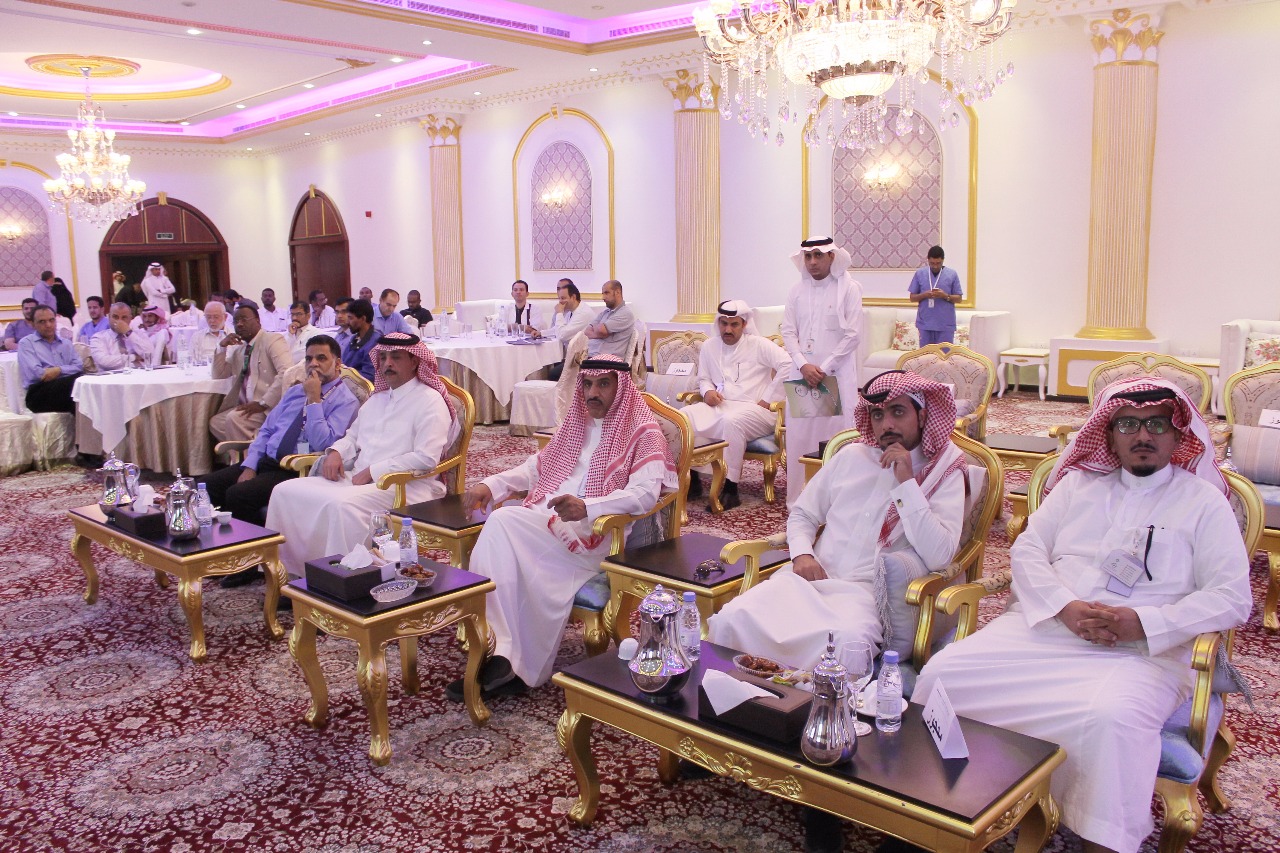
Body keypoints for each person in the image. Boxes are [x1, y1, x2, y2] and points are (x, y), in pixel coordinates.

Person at [915, 378, 1251, 853]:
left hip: (1142, 653)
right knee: (945, 674)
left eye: (1157, 424)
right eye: (1128, 424)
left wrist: (1144, 623)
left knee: (1111, 717)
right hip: (1046, 630)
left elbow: (1232, 596)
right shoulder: (1078, 485)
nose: (1143, 435)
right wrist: (1065, 607)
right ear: (1109, 434)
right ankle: (944, 809)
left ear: (1178, 434)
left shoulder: (1203, 502)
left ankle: (1100, 839)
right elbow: (1028, 550)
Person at [454, 354, 677, 698]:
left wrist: (587, 507)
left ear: (621, 387)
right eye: (587, 384)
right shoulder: (577, 425)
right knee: (503, 533)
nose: (592, 393)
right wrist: (492, 484)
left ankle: (499, 651)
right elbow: (535, 469)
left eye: (603, 384)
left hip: (595, 536)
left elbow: (644, 495)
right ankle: (505, 656)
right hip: (549, 525)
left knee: (502, 522)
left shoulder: (643, 432)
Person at [708, 369, 965, 667]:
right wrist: (802, 555)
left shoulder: (942, 471)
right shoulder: (852, 456)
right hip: (807, 580)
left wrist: (907, 484)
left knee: (846, 645)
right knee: (731, 618)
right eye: (878, 415)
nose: (887, 424)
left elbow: (940, 556)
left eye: (898, 412)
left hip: (864, 596)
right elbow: (803, 513)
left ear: (922, 416)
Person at [266, 333, 458, 577]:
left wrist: (374, 471)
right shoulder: (377, 399)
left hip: (406, 486)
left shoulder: (430, 401)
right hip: (359, 479)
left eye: (396, 357)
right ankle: (291, 574)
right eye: (383, 357)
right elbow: (352, 437)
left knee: (341, 506)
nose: (387, 363)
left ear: (414, 361)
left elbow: (426, 458)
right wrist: (336, 452)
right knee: (284, 491)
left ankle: (342, 579)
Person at [206, 335, 360, 586]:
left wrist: (314, 400)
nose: (314, 364)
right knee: (208, 486)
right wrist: (250, 465)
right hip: (266, 460)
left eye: (322, 358)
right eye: (309, 359)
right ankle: (223, 554)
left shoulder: (346, 401)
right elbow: (266, 430)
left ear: (337, 363)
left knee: (239, 495)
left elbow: (323, 443)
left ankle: (249, 564)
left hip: (296, 469)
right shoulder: (295, 393)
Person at [779, 236, 864, 505]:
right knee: (801, 437)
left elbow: (853, 335)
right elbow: (788, 331)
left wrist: (823, 368)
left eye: (818, 255)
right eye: (808, 256)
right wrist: (803, 364)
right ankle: (799, 502)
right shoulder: (796, 291)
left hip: (834, 377)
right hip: (802, 376)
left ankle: (835, 503)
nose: (813, 262)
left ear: (831, 256)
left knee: (834, 438)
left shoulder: (849, 289)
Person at [682, 300, 790, 510]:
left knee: (732, 422)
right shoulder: (710, 346)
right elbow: (703, 378)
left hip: (757, 410)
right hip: (722, 405)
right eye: (724, 323)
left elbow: (788, 364)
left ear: (744, 324)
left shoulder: (758, 344)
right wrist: (708, 392)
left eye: (734, 324)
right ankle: (693, 479)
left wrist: (769, 398)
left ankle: (731, 488)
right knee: (685, 415)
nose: (728, 329)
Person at [209, 305, 293, 442]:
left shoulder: (272, 340)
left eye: (244, 319)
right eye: (236, 321)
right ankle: (256, 445)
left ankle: (246, 453)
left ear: (258, 321)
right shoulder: (240, 350)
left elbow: (286, 373)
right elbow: (219, 375)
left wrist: (263, 402)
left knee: (234, 419)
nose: (239, 324)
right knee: (217, 423)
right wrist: (221, 347)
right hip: (247, 406)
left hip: (269, 407)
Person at [17, 305, 83, 413]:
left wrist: (58, 370)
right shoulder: (26, 344)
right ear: (33, 324)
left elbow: (79, 366)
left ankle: (87, 423)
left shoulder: (65, 343)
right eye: (42, 322)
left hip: (65, 387)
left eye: (51, 320)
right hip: (38, 392)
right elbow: (37, 374)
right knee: (77, 383)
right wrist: (67, 370)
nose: (48, 325)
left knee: (82, 387)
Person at [908, 245, 963, 346]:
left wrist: (945, 296)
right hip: (925, 323)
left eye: (938, 263)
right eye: (932, 263)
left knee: (944, 354)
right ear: (928, 260)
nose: (935, 266)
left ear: (943, 260)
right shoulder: (920, 273)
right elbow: (912, 298)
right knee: (926, 354)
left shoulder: (952, 274)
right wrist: (924, 295)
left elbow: (959, 298)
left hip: (945, 324)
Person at [544, 279, 596, 380]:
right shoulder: (571, 311)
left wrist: (559, 313)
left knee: (553, 373)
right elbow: (559, 329)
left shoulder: (583, 313)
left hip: (584, 357)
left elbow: (562, 335)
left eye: (563, 298)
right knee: (552, 362)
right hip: (573, 354)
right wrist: (541, 333)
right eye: (559, 298)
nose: (560, 302)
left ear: (573, 297)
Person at [89, 302, 155, 371]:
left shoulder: (138, 334)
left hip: (139, 374)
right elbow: (104, 361)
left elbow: (150, 354)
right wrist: (133, 357)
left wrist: (129, 333)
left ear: (130, 319)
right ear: (109, 317)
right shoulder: (98, 338)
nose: (120, 321)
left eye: (124, 317)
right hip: (112, 376)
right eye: (115, 317)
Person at [584, 279, 636, 359]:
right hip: (592, 356)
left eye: (607, 293)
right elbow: (587, 332)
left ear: (617, 292)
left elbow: (601, 330)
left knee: (566, 365)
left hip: (608, 361)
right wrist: (601, 334)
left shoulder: (625, 313)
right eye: (603, 294)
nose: (603, 297)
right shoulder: (605, 313)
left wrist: (598, 330)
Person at [341, 299, 382, 384]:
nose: (347, 322)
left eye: (350, 318)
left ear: (363, 319)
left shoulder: (376, 342)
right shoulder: (354, 338)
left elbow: (369, 376)